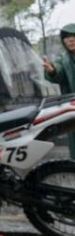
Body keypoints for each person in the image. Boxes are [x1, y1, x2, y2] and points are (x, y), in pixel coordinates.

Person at [43, 23, 75, 158]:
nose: (71, 39)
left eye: (74, 36)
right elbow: (58, 72)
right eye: (67, 37)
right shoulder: (62, 59)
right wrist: (52, 71)